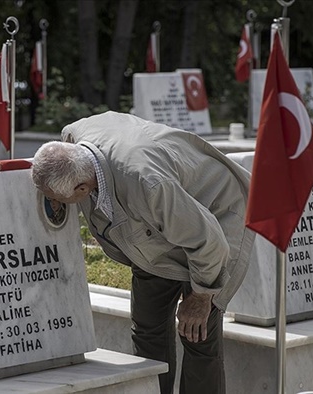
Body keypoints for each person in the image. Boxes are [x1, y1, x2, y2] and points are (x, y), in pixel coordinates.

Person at [31, 111, 256, 394]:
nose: (56, 204)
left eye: (58, 198)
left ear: (82, 187)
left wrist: (201, 297)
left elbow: (209, 242)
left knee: (197, 335)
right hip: (155, 235)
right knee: (148, 330)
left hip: (215, 216)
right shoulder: (73, 139)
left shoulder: (147, 185)